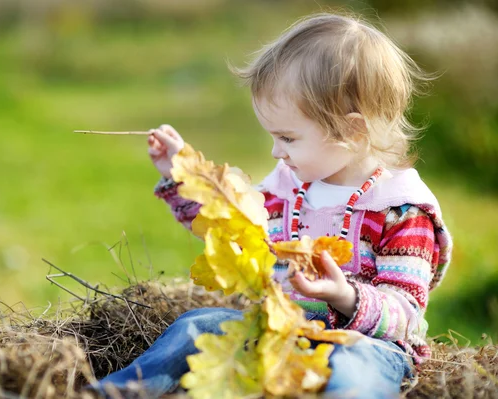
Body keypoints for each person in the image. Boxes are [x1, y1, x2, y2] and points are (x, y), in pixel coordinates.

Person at [87, 12, 452, 399]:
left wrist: (343, 295)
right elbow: (229, 231)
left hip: (366, 343)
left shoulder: (400, 211)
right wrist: (183, 176)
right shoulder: (284, 191)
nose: (276, 151)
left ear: (352, 130)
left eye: (288, 138)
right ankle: (117, 391)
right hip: (278, 329)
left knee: (356, 369)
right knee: (198, 324)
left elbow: (405, 314)